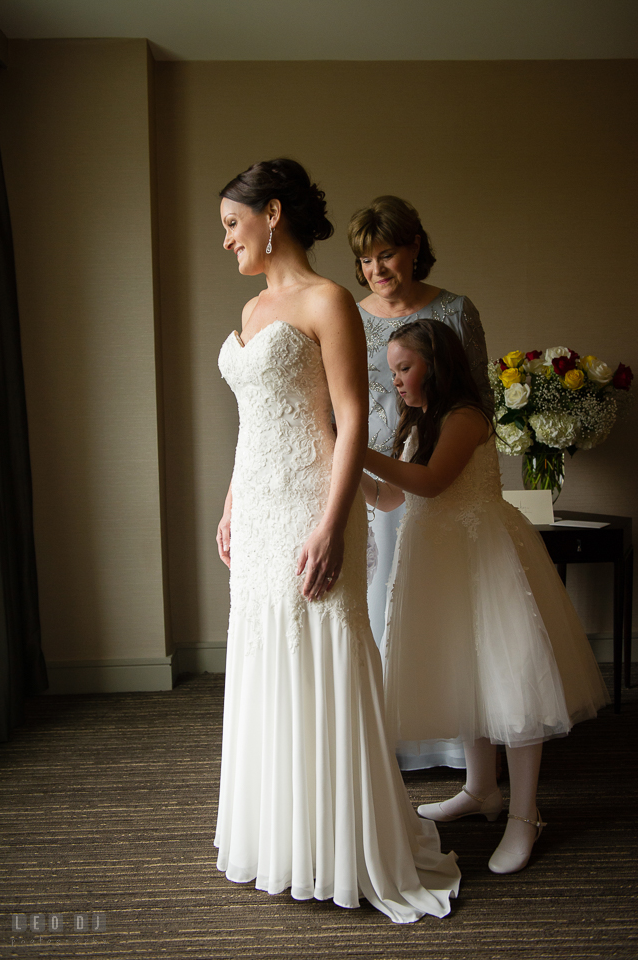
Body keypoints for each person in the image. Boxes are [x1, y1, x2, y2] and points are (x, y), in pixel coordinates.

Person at [214, 158, 460, 922]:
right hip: (255, 506)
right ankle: (281, 837)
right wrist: (228, 504)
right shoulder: (251, 311)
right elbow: (252, 423)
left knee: (320, 647)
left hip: (309, 502)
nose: (226, 241)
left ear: (273, 213)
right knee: (265, 651)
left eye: (232, 224)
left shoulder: (327, 302)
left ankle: (342, 843)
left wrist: (330, 523)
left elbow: (349, 418)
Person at [361, 319, 609, 874]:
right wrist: (351, 469)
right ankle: (481, 790)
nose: (396, 380)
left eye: (405, 368)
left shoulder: (465, 418)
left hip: (482, 556)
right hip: (438, 561)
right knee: (465, 671)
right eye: (392, 370)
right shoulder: (418, 422)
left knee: (510, 679)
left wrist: (360, 446)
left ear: (437, 365)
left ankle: (525, 814)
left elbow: (433, 482)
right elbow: (394, 497)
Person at [348, 195, 490, 771]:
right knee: (380, 601)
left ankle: (458, 746)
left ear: (414, 249)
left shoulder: (456, 310)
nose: (377, 271)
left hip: (437, 470)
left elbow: (476, 393)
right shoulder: (349, 317)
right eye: (365, 260)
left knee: (443, 606)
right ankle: (394, 741)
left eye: (387, 255)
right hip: (375, 476)